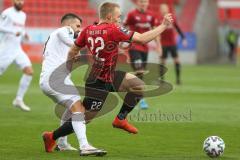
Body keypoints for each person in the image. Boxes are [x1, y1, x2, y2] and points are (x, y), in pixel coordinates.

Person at [66, 2, 173, 136]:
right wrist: (163, 25)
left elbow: (72, 51)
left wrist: (72, 62)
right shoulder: (113, 29)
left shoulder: (88, 29)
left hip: (108, 75)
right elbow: (141, 39)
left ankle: (120, 119)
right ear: (110, 16)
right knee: (85, 118)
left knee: (137, 85)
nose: (120, 20)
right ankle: (53, 136)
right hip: (98, 81)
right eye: (118, 16)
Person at [39, 13, 106, 156]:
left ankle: (62, 143)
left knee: (72, 109)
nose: (78, 29)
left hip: (51, 79)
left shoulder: (57, 39)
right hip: (55, 79)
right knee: (78, 109)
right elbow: (75, 44)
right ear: (68, 24)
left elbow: (73, 51)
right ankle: (85, 145)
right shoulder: (64, 30)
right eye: (77, 26)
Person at [124, 0, 161, 109]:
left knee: (140, 74)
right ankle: (142, 100)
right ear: (137, 3)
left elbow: (155, 31)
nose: (143, 3)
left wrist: (159, 45)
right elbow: (123, 26)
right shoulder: (131, 14)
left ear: (148, 3)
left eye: (145, 2)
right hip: (134, 46)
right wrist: (123, 43)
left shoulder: (151, 16)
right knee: (139, 71)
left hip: (145, 48)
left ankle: (132, 94)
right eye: (141, 1)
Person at [0, 0, 33, 111]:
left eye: (21, 1)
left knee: (29, 71)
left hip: (17, 49)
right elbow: (0, 27)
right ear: (13, 1)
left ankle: (18, 99)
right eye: (17, 0)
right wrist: (13, 31)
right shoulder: (7, 13)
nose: (20, 2)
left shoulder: (23, 15)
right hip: (5, 49)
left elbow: (21, 29)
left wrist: (24, 34)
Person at [158, 4, 187, 85]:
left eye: (165, 8)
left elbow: (178, 28)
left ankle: (178, 80)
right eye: (162, 8)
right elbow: (155, 31)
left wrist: (183, 38)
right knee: (162, 61)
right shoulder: (159, 19)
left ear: (167, 9)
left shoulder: (172, 18)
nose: (164, 10)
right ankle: (161, 80)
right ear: (160, 10)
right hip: (163, 44)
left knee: (176, 60)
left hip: (172, 43)